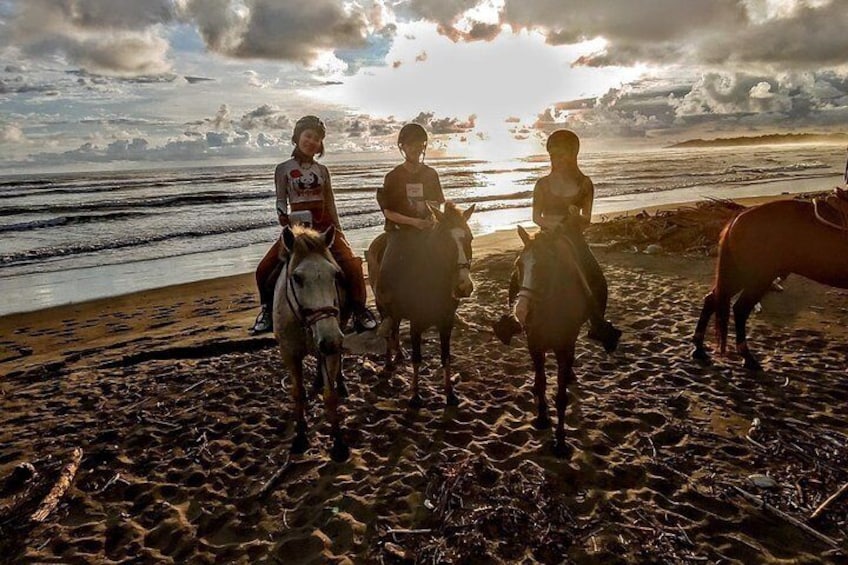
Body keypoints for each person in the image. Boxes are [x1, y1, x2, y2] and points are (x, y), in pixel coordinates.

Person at [250, 115, 377, 334]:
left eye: (317, 139)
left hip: (324, 226)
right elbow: (281, 199)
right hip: (297, 230)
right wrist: (281, 213)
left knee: (353, 264)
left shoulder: (322, 171)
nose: (312, 141)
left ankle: (359, 310)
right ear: (297, 137)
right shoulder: (283, 169)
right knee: (264, 269)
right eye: (308, 136)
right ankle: (267, 311)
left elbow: (330, 202)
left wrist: (338, 230)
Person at [528, 129, 621, 352]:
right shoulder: (542, 184)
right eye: (552, 155)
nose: (556, 160)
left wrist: (575, 216)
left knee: (597, 279)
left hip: (574, 240)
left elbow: (586, 220)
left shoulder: (585, 184)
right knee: (522, 270)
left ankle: (596, 323)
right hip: (547, 238)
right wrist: (554, 224)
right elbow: (535, 217)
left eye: (561, 155)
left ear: (572, 155)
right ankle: (515, 317)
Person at [373, 123, 445, 334]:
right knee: (387, 268)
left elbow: (438, 202)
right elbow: (389, 212)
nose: (416, 148)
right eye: (411, 144)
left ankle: (449, 303)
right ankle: (387, 316)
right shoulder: (393, 177)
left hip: (427, 229)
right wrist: (414, 222)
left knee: (451, 257)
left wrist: (431, 218)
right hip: (400, 232)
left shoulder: (431, 174)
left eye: (420, 144)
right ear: (402, 146)